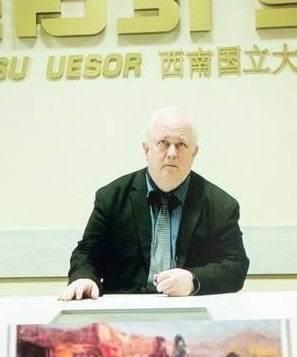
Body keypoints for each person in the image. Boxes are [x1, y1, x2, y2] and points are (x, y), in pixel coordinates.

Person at [61, 107, 248, 300]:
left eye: (181, 145)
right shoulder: (111, 197)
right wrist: (84, 277)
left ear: (194, 152)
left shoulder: (221, 205)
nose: (172, 153)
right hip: (126, 309)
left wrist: (194, 280)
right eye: (163, 143)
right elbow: (87, 252)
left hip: (188, 308)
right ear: (146, 149)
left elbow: (236, 265)